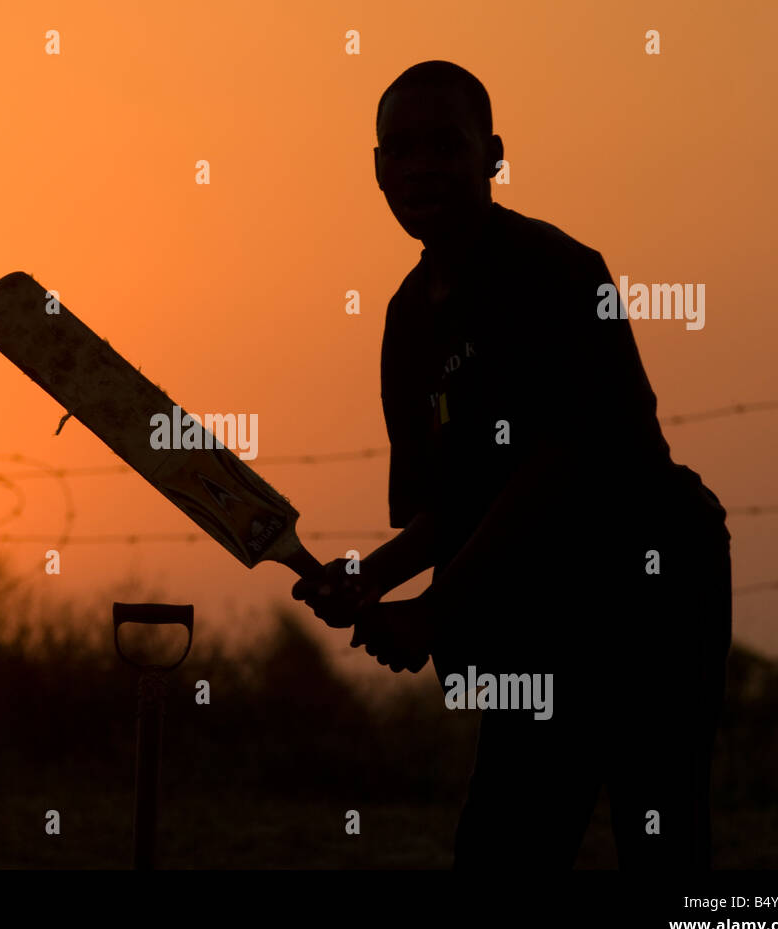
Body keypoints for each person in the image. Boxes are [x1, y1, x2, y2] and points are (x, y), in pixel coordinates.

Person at [292, 61, 733, 869]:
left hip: (647, 593)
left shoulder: (557, 270)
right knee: (505, 845)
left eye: (445, 145)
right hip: (532, 615)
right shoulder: (406, 319)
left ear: (493, 155)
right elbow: (448, 505)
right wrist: (371, 578)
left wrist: (436, 610)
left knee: (663, 833)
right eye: (401, 149)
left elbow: (559, 466)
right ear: (378, 168)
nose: (421, 166)